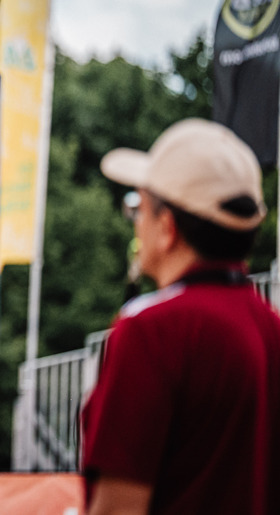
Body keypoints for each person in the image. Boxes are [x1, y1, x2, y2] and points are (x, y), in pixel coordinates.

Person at [81, 118, 280, 515]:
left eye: (137, 207)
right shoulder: (271, 329)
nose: (135, 221)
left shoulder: (152, 332)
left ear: (167, 227)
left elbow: (117, 509)